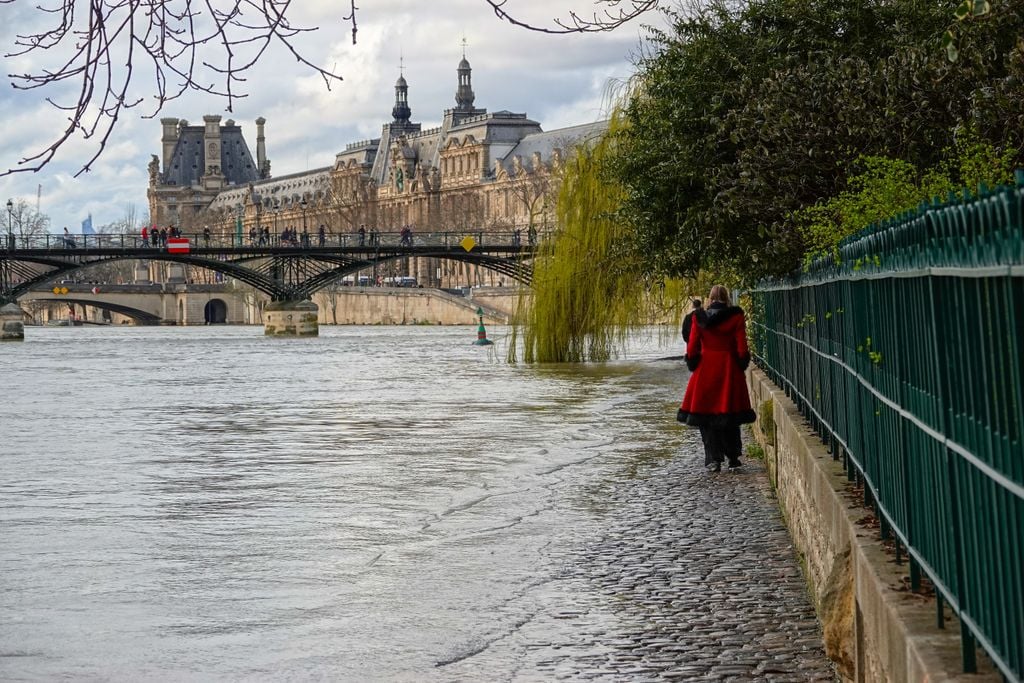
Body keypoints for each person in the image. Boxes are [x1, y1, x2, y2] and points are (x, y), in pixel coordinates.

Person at [677, 285, 756, 472]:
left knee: (706, 417)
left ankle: (714, 459)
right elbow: (742, 347)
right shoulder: (736, 316)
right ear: (727, 297)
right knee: (730, 414)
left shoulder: (698, 318)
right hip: (729, 368)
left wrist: (693, 363)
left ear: (710, 298)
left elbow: (693, 347)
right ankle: (734, 458)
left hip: (705, 369)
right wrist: (741, 363)